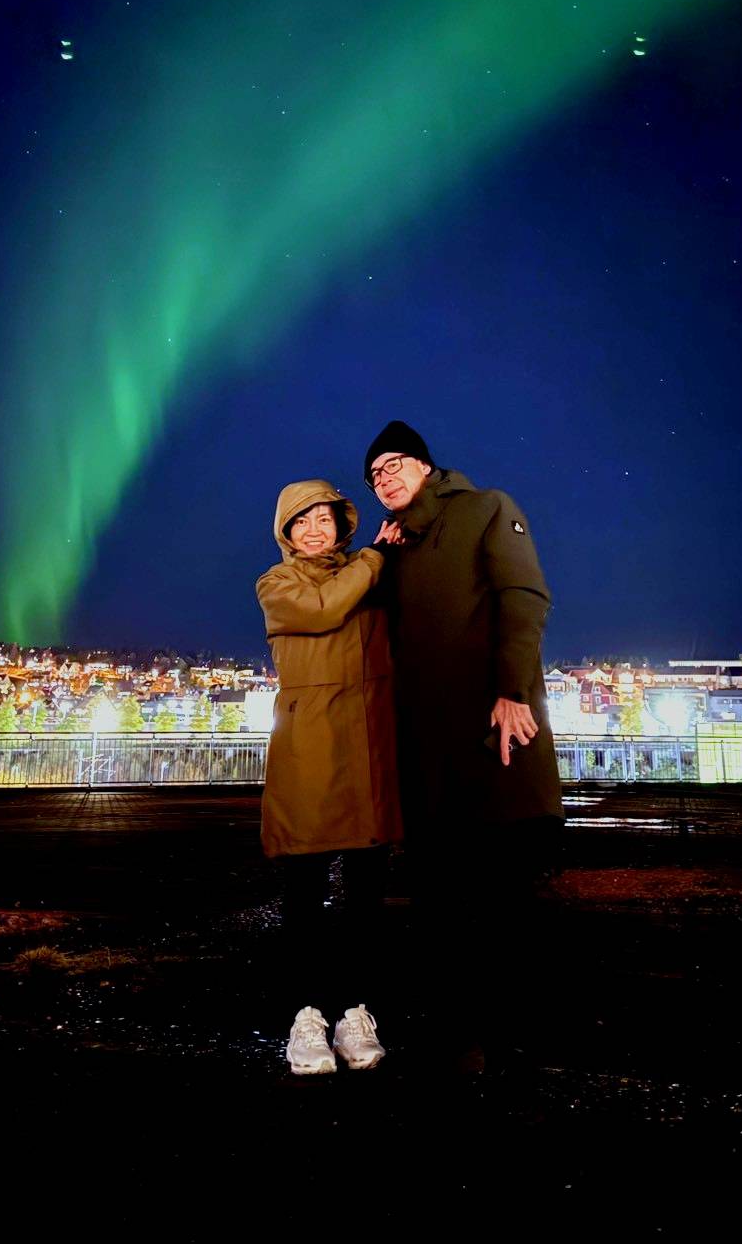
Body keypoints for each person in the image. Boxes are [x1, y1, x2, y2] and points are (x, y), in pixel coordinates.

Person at [364, 420, 564, 1071]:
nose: (384, 478)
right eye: (374, 474)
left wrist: (513, 690)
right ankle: (451, 1032)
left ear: (425, 466)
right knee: (436, 896)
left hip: (490, 734)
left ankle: (512, 1035)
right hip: (425, 747)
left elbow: (524, 595)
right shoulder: (395, 544)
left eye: (395, 463)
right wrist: (377, 560)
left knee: (502, 889)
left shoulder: (486, 509)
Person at [256, 479, 402, 1076]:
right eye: (302, 521)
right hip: (311, 749)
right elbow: (324, 609)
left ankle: (356, 1012)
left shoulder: (370, 575)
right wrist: (374, 557)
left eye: (325, 519)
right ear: (286, 532)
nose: (315, 530)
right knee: (305, 894)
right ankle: (306, 1016)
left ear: (341, 525)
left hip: (369, 749)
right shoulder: (277, 583)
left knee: (366, 898)